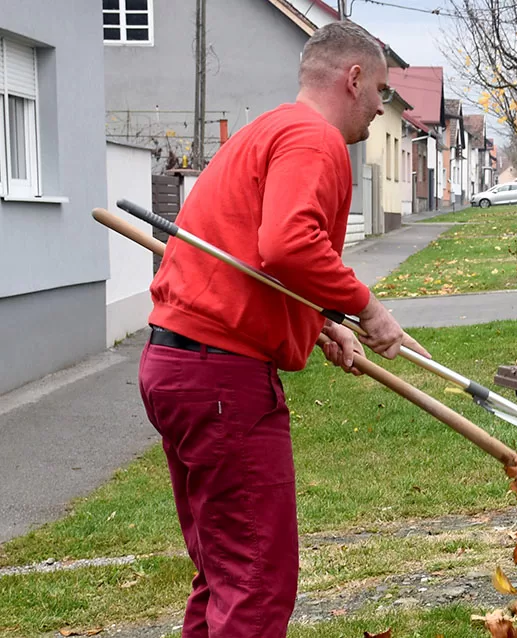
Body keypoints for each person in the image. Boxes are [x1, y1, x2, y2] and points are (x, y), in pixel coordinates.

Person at [137, 22, 428, 638]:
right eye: (378, 89)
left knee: (224, 573)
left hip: (181, 367)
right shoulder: (311, 137)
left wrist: (319, 321)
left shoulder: (265, 130)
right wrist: (367, 308)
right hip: (222, 379)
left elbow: (250, 257)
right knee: (257, 580)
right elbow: (288, 244)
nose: (381, 108)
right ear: (352, 79)